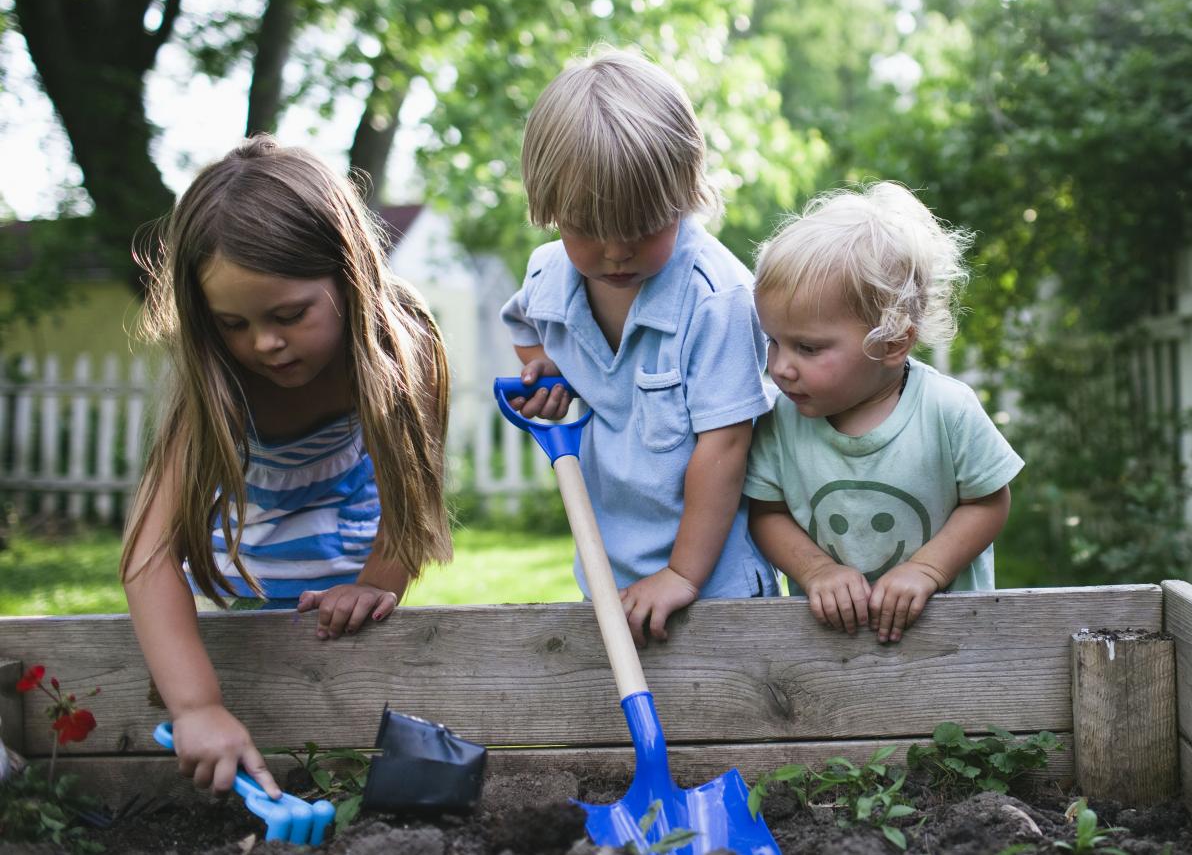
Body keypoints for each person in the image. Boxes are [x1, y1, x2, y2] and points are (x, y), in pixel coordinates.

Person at [120, 136, 452, 797]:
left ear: (347, 274)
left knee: (347, 767)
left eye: (288, 314)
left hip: (346, 594)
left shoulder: (400, 348)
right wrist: (196, 705)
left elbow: (413, 500)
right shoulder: (218, 381)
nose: (263, 342)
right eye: (233, 323)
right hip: (238, 594)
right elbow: (149, 557)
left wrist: (377, 581)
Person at [501, 47, 778, 647]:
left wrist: (681, 574)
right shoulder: (548, 275)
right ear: (551, 211)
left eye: (642, 227)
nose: (616, 251)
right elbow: (525, 326)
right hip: (609, 568)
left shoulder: (714, 298)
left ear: (684, 195)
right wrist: (546, 370)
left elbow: (726, 444)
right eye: (589, 230)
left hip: (715, 583)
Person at [744, 182, 1023, 644]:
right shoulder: (782, 420)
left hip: (950, 644)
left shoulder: (946, 411)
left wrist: (926, 570)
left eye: (808, 348)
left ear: (893, 343)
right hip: (828, 649)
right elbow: (766, 512)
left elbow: (989, 500)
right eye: (773, 341)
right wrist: (817, 571)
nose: (780, 367)